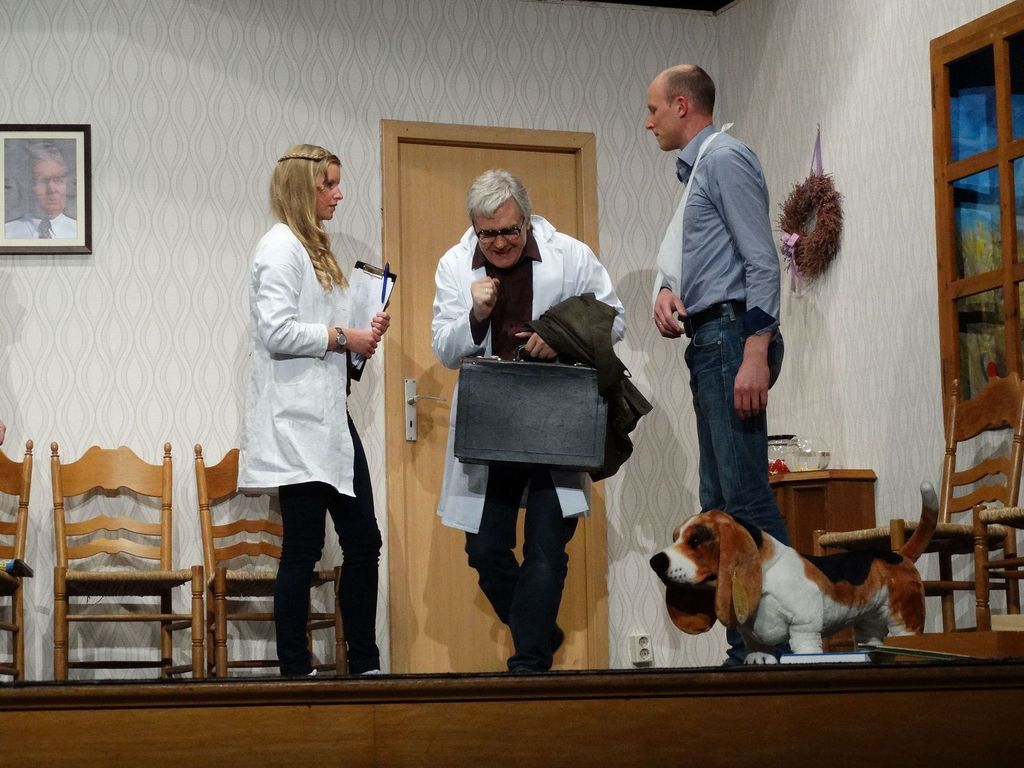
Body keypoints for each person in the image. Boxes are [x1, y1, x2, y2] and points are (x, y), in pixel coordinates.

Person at [432, 169, 625, 674]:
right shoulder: (454, 265)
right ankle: (538, 630)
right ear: (474, 228)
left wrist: (561, 336)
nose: (499, 243)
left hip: (554, 420)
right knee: (484, 549)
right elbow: (445, 350)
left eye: (509, 231)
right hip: (490, 423)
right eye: (487, 234)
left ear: (527, 220)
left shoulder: (571, 255)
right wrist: (475, 316)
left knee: (546, 549)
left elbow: (615, 319)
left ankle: (529, 668)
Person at [645, 65, 790, 664]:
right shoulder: (701, 169)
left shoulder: (725, 158)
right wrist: (666, 290)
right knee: (720, 503)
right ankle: (747, 649)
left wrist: (755, 350)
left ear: (682, 105)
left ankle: (776, 648)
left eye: (654, 109)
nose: (648, 121)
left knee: (744, 502)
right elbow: (702, 257)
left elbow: (762, 260)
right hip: (710, 338)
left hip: (733, 337)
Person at [237, 144, 389, 677]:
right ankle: (295, 670)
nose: (338, 194)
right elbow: (277, 331)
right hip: (296, 421)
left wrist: (364, 332)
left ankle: (365, 664)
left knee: (364, 540)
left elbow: (330, 335)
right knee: (302, 548)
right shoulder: (279, 247)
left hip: (329, 417)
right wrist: (343, 335)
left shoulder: (314, 248)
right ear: (303, 187)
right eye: (328, 184)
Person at [4, 142, 77, 239]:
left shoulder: (79, 232)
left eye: (58, 180)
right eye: (42, 181)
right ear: (28, 185)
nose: (52, 189)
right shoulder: (7, 233)